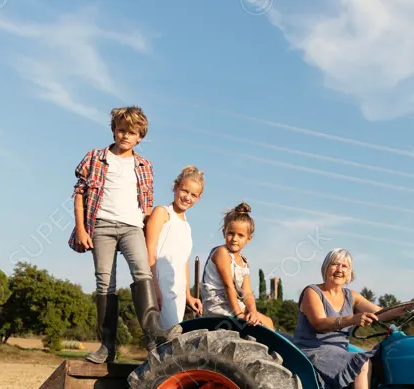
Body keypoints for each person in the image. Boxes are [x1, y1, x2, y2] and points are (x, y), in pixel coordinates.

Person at [69, 105, 178, 363]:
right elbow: (79, 195)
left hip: (132, 227)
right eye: (120, 130)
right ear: (113, 131)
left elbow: (147, 205)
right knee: (105, 283)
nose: (125, 136)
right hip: (102, 226)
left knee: (143, 272)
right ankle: (107, 347)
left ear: (140, 137)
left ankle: (152, 335)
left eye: (131, 132)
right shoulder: (94, 158)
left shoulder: (144, 166)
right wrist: (83, 229)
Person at [295, 248, 414, 389]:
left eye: (344, 266)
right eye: (335, 264)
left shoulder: (351, 296)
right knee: (363, 361)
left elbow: (381, 314)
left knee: (379, 357)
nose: (339, 269)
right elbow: (320, 323)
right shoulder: (312, 292)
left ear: (350, 273)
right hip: (313, 350)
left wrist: (410, 306)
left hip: (339, 350)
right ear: (326, 268)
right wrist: (353, 319)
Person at [145, 166, 205, 330]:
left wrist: (187, 295)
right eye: (185, 191)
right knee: (167, 339)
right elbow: (149, 249)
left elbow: (183, 262)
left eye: (193, 195)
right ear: (175, 187)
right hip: (161, 288)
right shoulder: (162, 213)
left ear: (199, 198)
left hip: (177, 292)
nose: (188, 197)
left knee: (172, 341)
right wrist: (154, 288)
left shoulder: (187, 226)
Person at [199, 202, 274, 329]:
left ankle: (273, 349)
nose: (234, 238)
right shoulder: (221, 253)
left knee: (268, 321)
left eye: (240, 235)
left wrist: (253, 311)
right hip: (218, 305)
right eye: (231, 233)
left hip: (233, 304)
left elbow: (247, 293)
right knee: (257, 326)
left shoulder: (244, 262)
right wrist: (238, 313)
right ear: (224, 233)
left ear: (248, 239)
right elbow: (228, 286)